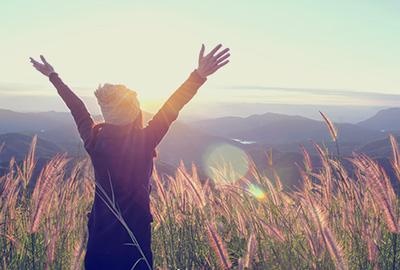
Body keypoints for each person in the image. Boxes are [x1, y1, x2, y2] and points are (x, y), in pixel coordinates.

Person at [29, 44, 230, 270]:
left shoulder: (94, 141)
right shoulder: (144, 142)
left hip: (100, 240)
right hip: (135, 242)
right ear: (135, 111)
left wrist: (53, 76)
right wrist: (198, 75)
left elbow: (77, 108)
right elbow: (171, 108)